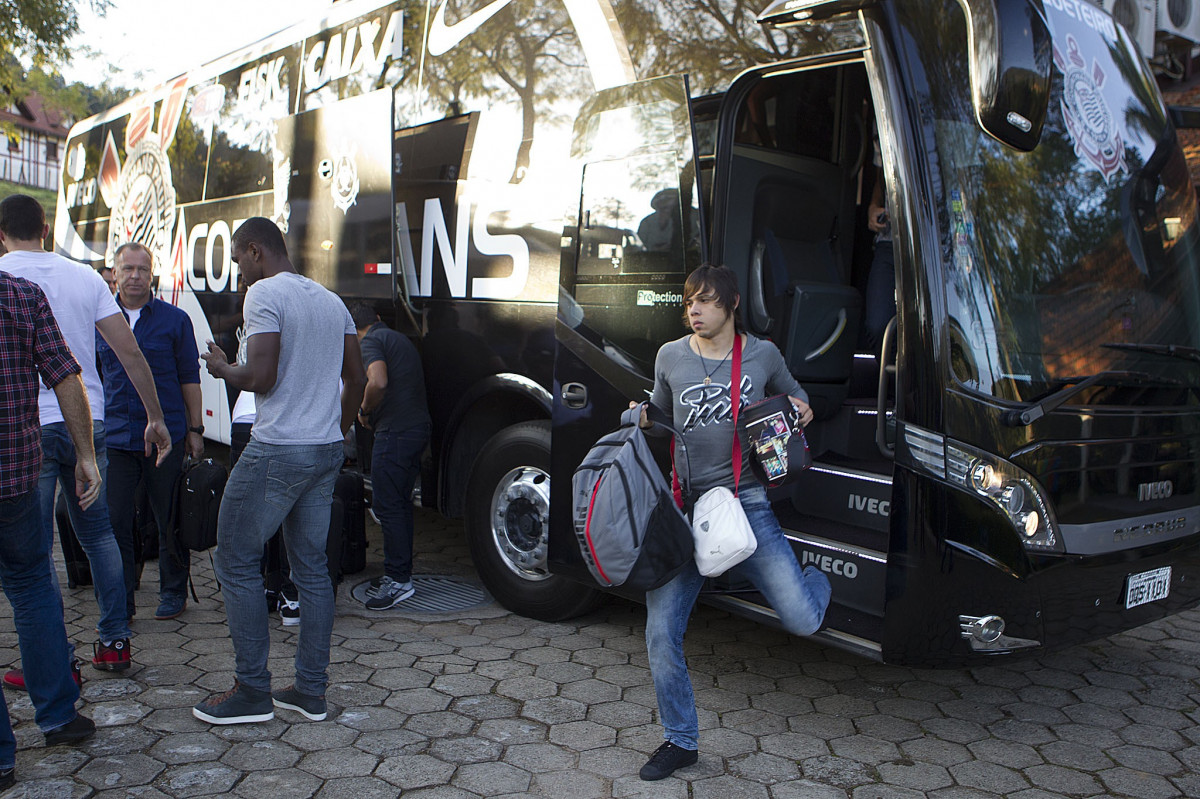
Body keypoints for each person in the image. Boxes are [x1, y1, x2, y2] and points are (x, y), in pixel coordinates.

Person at [633, 264, 831, 781]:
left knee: (803, 619)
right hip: (686, 508)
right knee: (660, 634)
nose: (694, 311)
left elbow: (799, 399)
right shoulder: (670, 356)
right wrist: (640, 415)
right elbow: (658, 414)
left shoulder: (761, 355)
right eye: (689, 303)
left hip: (747, 502)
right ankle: (681, 740)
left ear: (732, 303)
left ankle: (817, 581)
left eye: (705, 302)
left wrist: (801, 409)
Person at [194, 217, 365, 725]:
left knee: (234, 559)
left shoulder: (265, 294)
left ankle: (252, 692)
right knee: (313, 571)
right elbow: (355, 376)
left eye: (239, 262)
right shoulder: (331, 301)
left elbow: (262, 378)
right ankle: (310, 691)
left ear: (253, 251)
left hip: (277, 449)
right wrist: (339, 426)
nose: (239, 273)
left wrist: (224, 368)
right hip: (324, 448)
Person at [0, 194, 171, 679]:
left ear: (2, 233)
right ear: (47, 229)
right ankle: (115, 642)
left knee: (34, 554)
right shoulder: (86, 277)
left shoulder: (6, 282)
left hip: (23, 427)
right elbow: (129, 353)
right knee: (98, 535)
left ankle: (53, 664)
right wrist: (155, 416)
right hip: (85, 422)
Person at [0, 270, 103, 784]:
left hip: (19, 472)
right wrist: (86, 455)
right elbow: (65, 374)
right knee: (32, 584)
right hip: (15, 473)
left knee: (32, 584)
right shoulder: (21, 295)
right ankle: (60, 716)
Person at [100, 242, 204, 621]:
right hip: (115, 437)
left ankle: (173, 591)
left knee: (169, 518)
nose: (135, 276)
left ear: (152, 274)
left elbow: (189, 379)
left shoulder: (175, 321)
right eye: (127, 269)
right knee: (115, 522)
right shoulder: (99, 319)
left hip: (167, 438)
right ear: (114, 272)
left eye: (142, 269)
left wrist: (195, 429)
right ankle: (122, 598)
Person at [348, 302, 431, 610]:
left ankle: (398, 581)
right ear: (378, 318)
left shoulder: (369, 342)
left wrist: (364, 410)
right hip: (416, 430)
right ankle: (400, 574)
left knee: (387, 504)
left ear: (354, 332)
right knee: (400, 503)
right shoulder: (397, 338)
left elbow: (378, 381)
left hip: (394, 433)